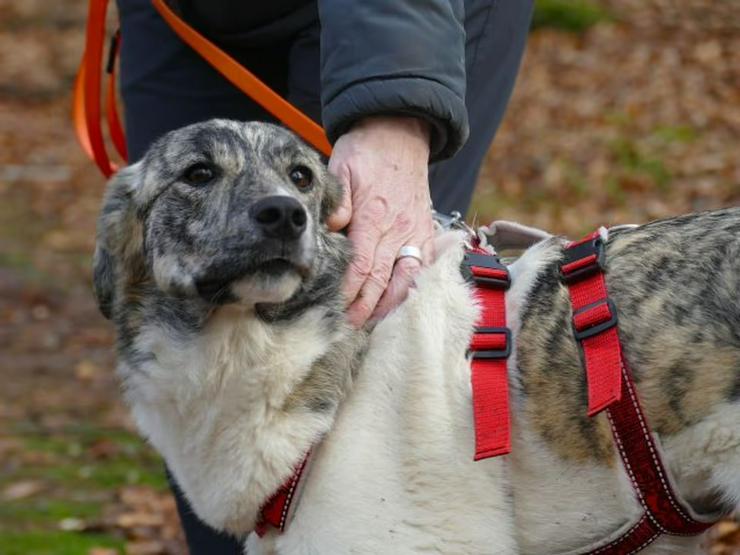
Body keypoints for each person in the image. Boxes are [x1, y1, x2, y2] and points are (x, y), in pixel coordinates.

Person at [115, 0, 533, 551]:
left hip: (395, 18)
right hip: (181, 15)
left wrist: (393, 110)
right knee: (186, 327)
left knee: (376, 308)